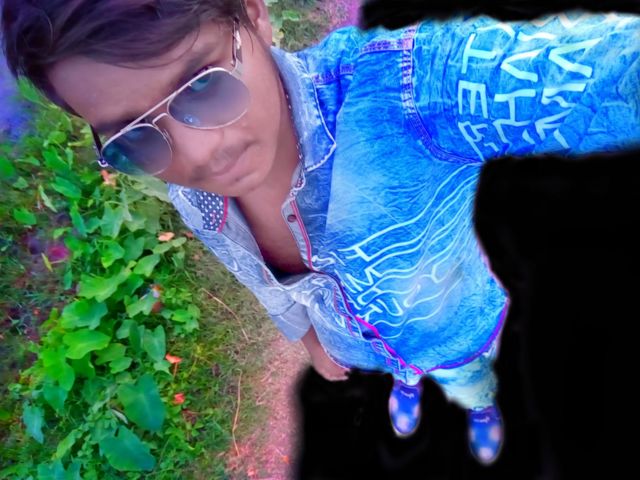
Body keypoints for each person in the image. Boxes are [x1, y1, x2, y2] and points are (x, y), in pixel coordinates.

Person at [3, 0, 639, 468]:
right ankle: (406, 385)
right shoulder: (189, 190)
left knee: (468, 377)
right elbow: (257, 278)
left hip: (451, 328)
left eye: (203, 84)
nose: (197, 155)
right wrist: (308, 337)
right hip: (354, 346)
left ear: (254, 16)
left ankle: (480, 407)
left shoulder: (409, 95)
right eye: (134, 138)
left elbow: (601, 73)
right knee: (400, 375)